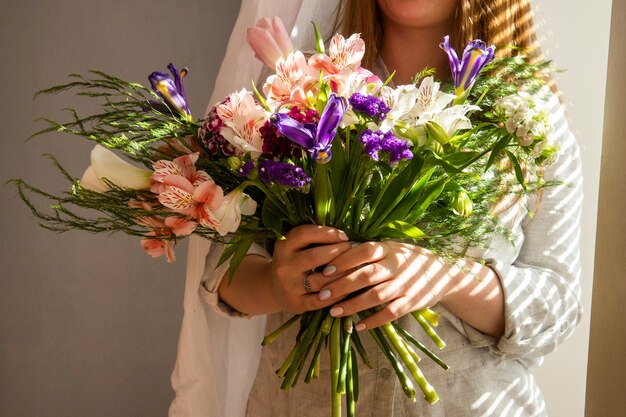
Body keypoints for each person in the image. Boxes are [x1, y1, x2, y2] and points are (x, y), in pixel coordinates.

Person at [169, 1, 583, 416]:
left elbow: (558, 305)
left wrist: (446, 277)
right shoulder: (297, 90)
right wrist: (278, 285)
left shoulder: (527, 116)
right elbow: (221, 272)